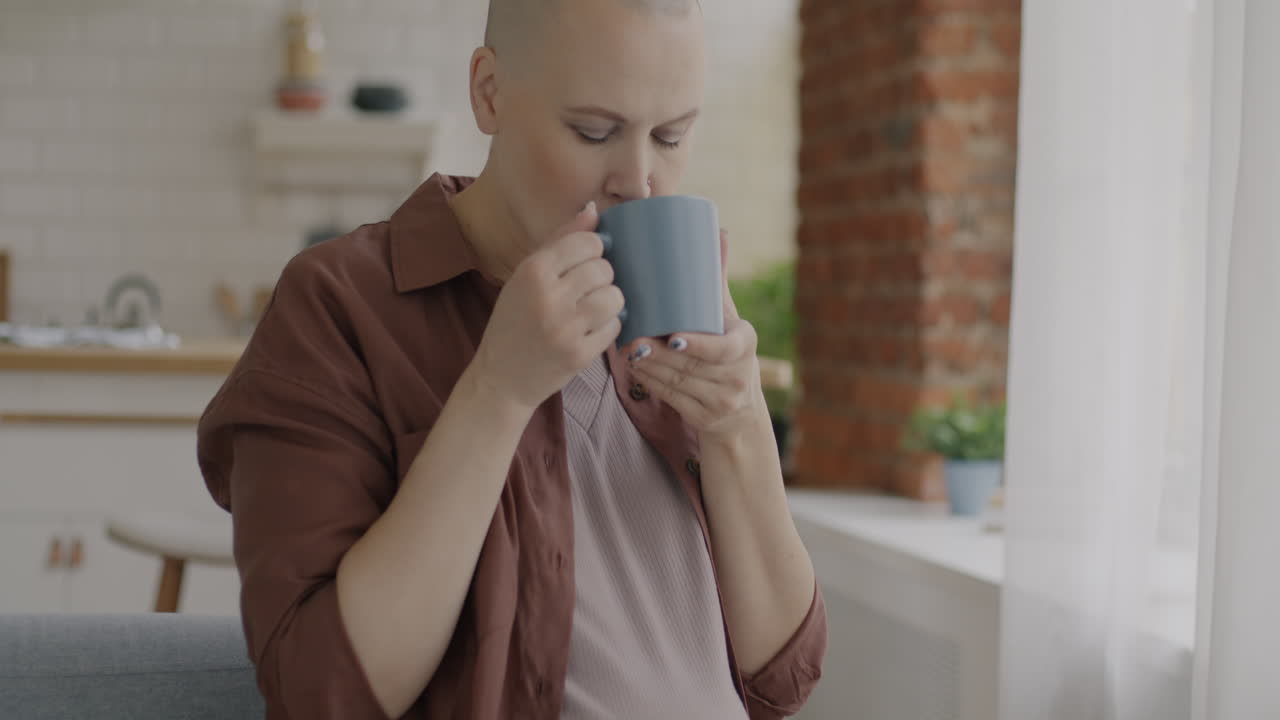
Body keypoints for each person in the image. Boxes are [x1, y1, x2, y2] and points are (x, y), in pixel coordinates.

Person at [196, 0, 826, 717]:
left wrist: (739, 427)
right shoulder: (340, 305)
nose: (639, 180)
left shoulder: (677, 303)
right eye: (594, 131)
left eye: (671, 135)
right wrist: (497, 390)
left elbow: (783, 677)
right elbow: (323, 693)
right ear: (489, 92)